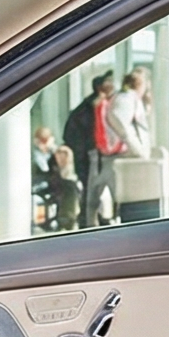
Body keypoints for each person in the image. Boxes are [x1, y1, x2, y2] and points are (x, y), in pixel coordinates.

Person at [61, 72, 122, 226]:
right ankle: (88, 222)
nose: (112, 87)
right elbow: (74, 134)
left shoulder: (95, 106)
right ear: (100, 87)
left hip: (94, 154)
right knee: (92, 191)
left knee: (96, 191)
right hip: (91, 155)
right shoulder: (91, 108)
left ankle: (94, 219)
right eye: (108, 83)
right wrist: (87, 150)